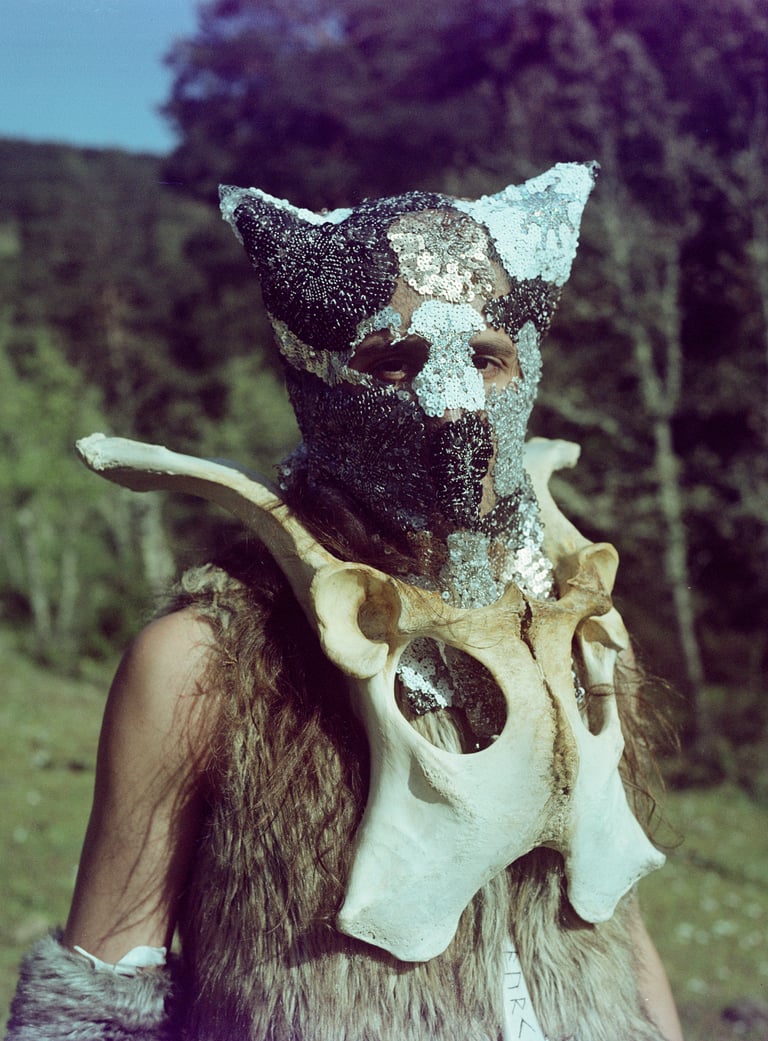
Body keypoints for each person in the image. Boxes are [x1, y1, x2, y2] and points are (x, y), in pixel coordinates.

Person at [6, 163, 684, 1041]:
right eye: (393, 361)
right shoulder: (207, 661)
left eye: (483, 356)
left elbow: (617, 921)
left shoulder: (581, 632)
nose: (449, 404)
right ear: (314, 381)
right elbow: (99, 993)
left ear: (526, 366)